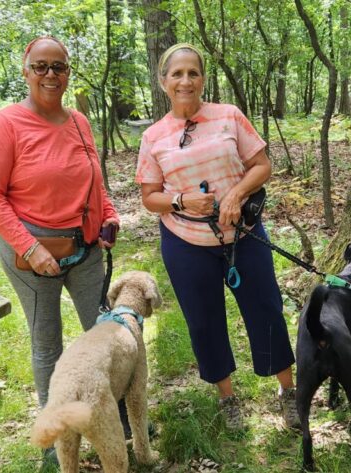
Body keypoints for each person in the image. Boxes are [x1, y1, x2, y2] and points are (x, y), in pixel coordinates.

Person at [135, 43, 299, 431]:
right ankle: (227, 398)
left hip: (243, 235)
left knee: (266, 310)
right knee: (204, 322)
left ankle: (288, 391)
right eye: (177, 74)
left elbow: (261, 165)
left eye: (193, 73)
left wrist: (236, 194)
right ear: (163, 81)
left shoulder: (229, 116)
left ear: (203, 79)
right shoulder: (154, 136)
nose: (185, 81)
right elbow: (149, 197)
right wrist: (181, 200)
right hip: (185, 244)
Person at [0, 36, 120, 464]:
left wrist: (109, 215)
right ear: (26, 72)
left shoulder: (79, 121)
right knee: (48, 343)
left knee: (105, 336)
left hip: (85, 247)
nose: (50, 74)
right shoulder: (7, 123)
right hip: (32, 253)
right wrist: (30, 247)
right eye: (41, 66)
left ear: (68, 73)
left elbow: (93, 179)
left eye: (59, 66)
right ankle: (56, 440)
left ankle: (115, 420)